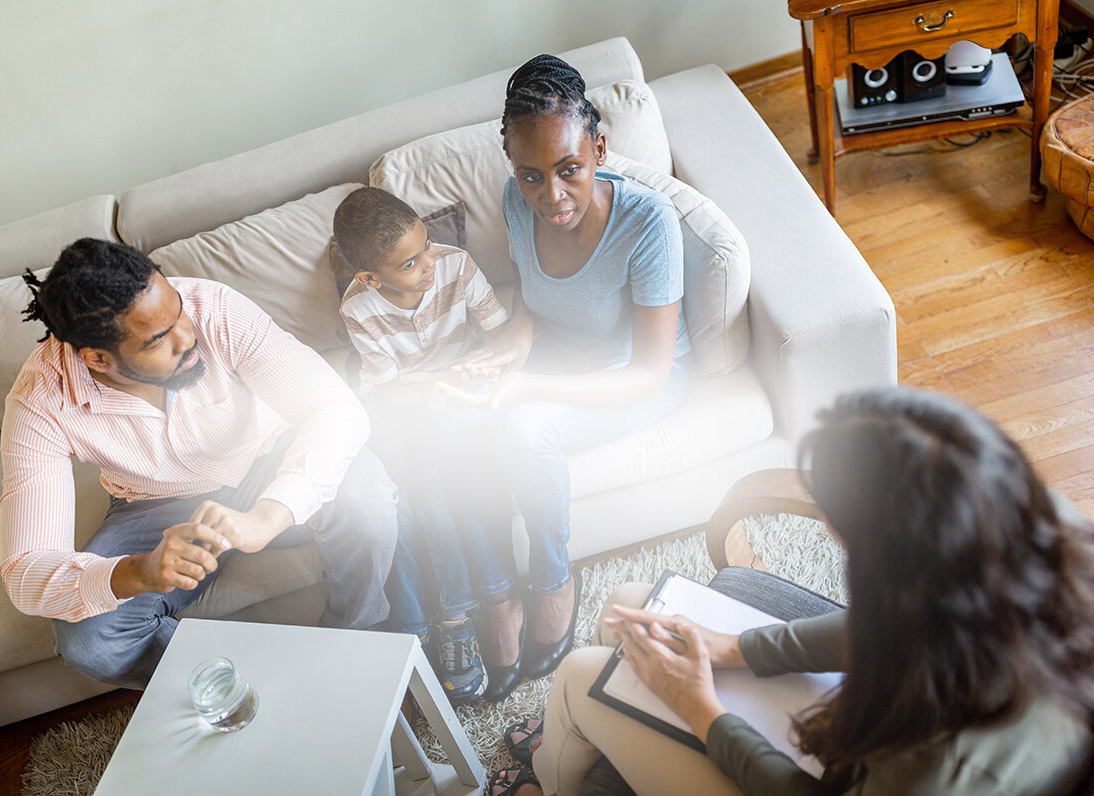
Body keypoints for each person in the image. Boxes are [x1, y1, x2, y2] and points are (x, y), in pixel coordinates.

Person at [490, 387, 1094, 796]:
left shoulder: (943, 766)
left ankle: (555, 772)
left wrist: (704, 711)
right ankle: (576, 744)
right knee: (632, 600)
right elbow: (899, 627)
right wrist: (735, 648)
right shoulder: (1045, 527)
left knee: (580, 677)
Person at [0, 237, 398, 690]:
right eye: (158, 340)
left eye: (179, 312)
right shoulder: (40, 401)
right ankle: (250, 687)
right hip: (152, 504)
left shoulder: (215, 309)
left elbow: (336, 408)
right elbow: (25, 570)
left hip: (266, 458)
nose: (188, 338)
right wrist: (141, 571)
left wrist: (268, 516)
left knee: (366, 493)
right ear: (97, 359)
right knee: (89, 642)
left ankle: (360, 641)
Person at [437, 54, 696, 702]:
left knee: (524, 431)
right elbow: (531, 303)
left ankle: (551, 583)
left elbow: (648, 372)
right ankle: (498, 596)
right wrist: (506, 353)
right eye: (531, 175)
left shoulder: (648, 223)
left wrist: (524, 387)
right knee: (456, 419)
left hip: (640, 374)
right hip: (564, 359)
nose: (550, 196)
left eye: (569, 170)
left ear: (600, 149)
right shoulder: (516, 201)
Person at [334, 186, 519, 703]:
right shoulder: (359, 307)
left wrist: (472, 380)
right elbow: (387, 386)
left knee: (433, 485)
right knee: (403, 502)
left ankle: (441, 623)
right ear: (370, 278)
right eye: (412, 263)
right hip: (400, 408)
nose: (429, 264)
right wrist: (421, 397)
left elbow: (503, 338)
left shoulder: (456, 265)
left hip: (461, 398)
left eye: (427, 246)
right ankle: (438, 622)